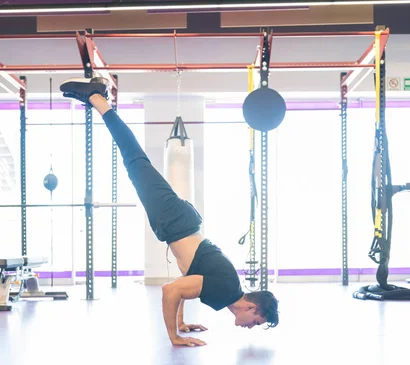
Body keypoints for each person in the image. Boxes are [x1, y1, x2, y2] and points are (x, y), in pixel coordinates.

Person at [60, 77, 279, 347]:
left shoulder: (227, 294)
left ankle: (97, 99)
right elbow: (170, 290)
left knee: (135, 163)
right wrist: (175, 337)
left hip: (179, 221)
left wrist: (181, 322)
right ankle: (96, 97)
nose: (250, 327)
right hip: (174, 220)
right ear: (252, 308)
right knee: (134, 160)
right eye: (256, 322)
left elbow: (186, 284)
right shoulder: (226, 291)